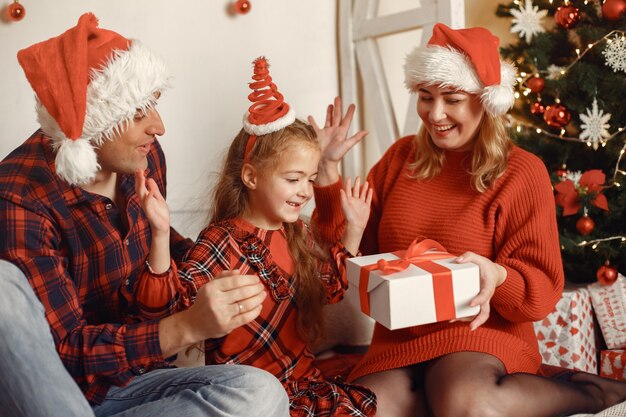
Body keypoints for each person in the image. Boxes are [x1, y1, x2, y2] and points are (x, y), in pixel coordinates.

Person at [310, 23, 626, 417]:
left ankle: (598, 395)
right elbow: (340, 264)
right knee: (351, 411)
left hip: (480, 334)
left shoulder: (520, 171)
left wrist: (498, 277)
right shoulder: (399, 158)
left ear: (485, 101)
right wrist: (326, 174)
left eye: (452, 99)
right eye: (425, 97)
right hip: (399, 341)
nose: (435, 114)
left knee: (465, 403)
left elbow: (541, 290)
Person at [0, 13, 288, 417]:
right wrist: (187, 327)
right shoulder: (20, 195)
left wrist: (215, 269)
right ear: (89, 122)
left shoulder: (145, 158)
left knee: (259, 391)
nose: (159, 126)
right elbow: (60, 354)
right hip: (67, 394)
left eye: (155, 104)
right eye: (139, 111)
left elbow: (163, 243)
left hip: (138, 381)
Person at [133, 56, 378, 417]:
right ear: (250, 176)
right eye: (293, 179)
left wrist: (354, 230)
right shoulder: (222, 240)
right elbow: (165, 310)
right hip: (251, 397)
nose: (305, 191)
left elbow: (328, 289)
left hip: (304, 384)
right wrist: (159, 235)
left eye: (310, 180)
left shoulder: (297, 232)